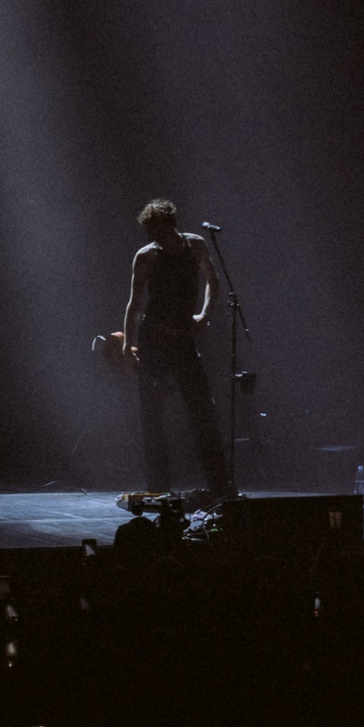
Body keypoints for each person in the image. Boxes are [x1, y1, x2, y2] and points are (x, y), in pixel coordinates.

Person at [122, 199, 232, 501]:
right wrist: (127, 347)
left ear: (169, 224)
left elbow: (213, 279)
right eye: (150, 231)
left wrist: (205, 315)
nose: (153, 235)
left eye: (157, 229)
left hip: (183, 339)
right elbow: (135, 304)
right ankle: (159, 487)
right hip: (154, 340)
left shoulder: (194, 245)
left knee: (202, 410)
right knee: (153, 415)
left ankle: (220, 484)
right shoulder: (146, 256)